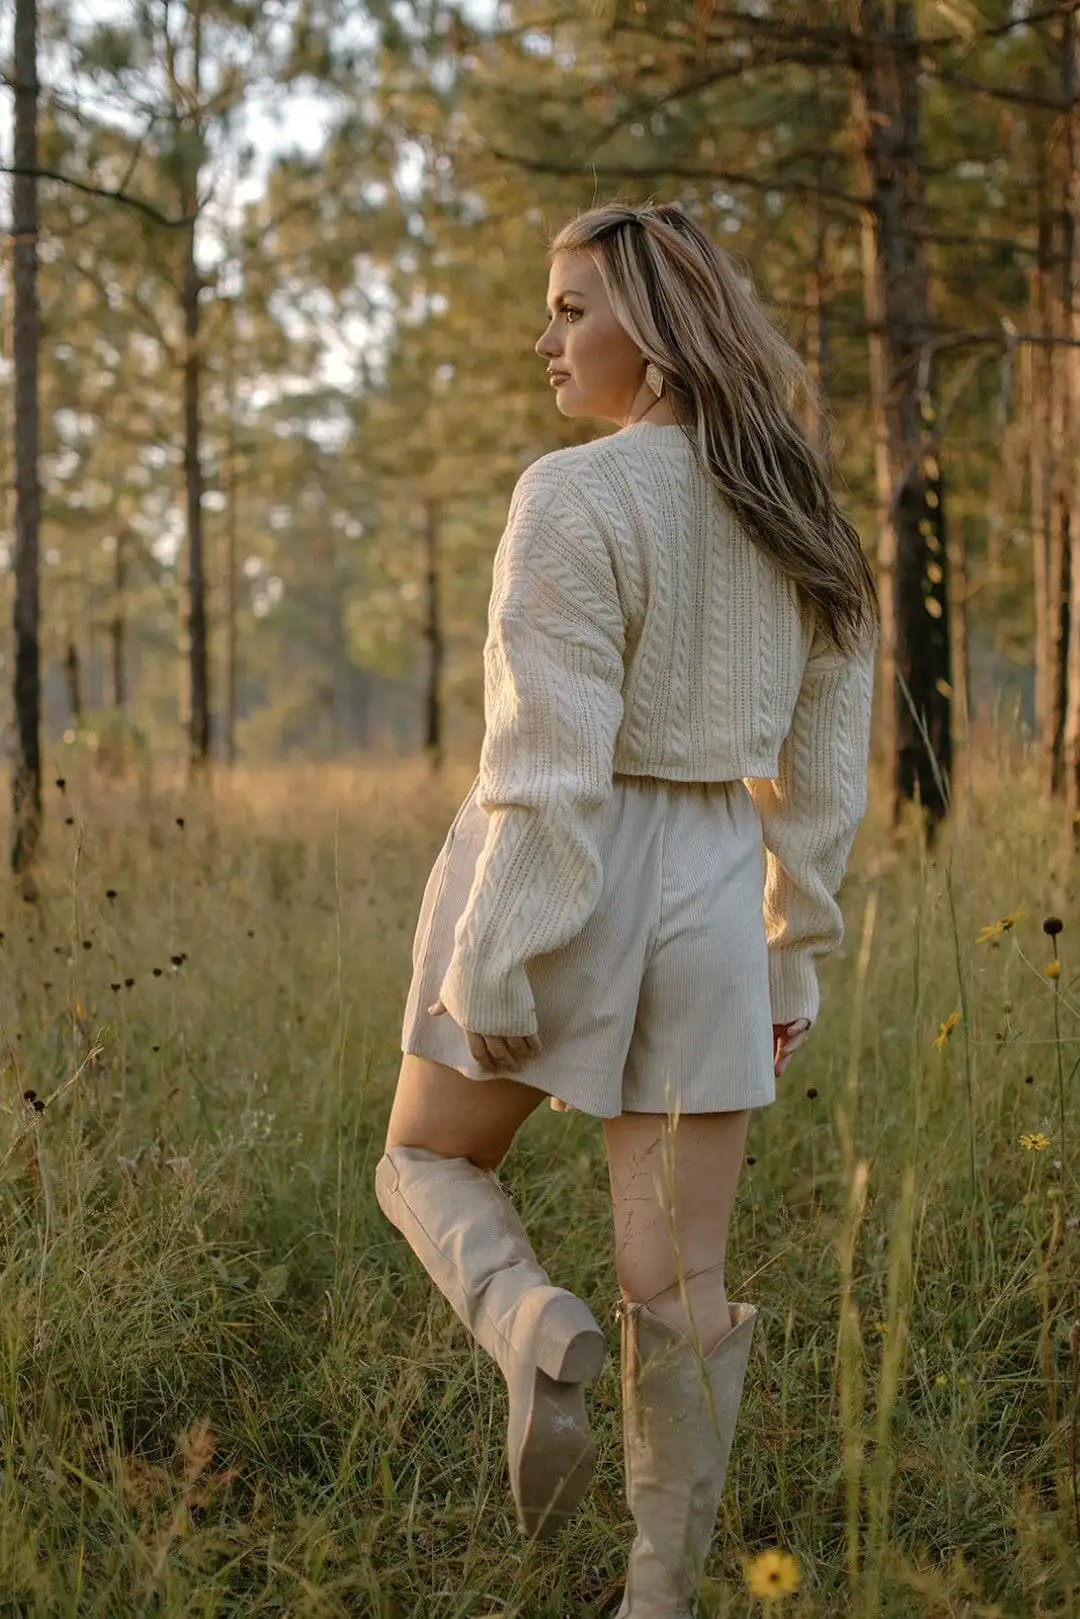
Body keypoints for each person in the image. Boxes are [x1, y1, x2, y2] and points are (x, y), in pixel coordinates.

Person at [375, 200, 878, 1616]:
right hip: (719, 880)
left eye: (571, 308)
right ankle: (659, 1592)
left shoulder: (574, 494)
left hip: (576, 869)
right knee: (682, 1284)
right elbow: (825, 782)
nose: (546, 339)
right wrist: (793, 954)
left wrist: (501, 956)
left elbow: (547, 761)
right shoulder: (800, 509)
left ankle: (531, 1325)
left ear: (650, 332)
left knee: (423, 1161)